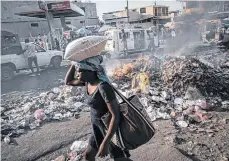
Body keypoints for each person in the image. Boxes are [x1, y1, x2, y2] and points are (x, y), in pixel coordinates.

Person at [65, 56, 131, 161]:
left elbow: (115, 115)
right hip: (98, 128)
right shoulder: (87, 82)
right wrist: (74, 63)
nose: (77, 74)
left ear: (91, 71)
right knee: (88, 156)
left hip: (110, 130)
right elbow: (68, 82)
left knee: (120, 159)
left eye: (80, 71)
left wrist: (105, 142)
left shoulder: (103, 87)